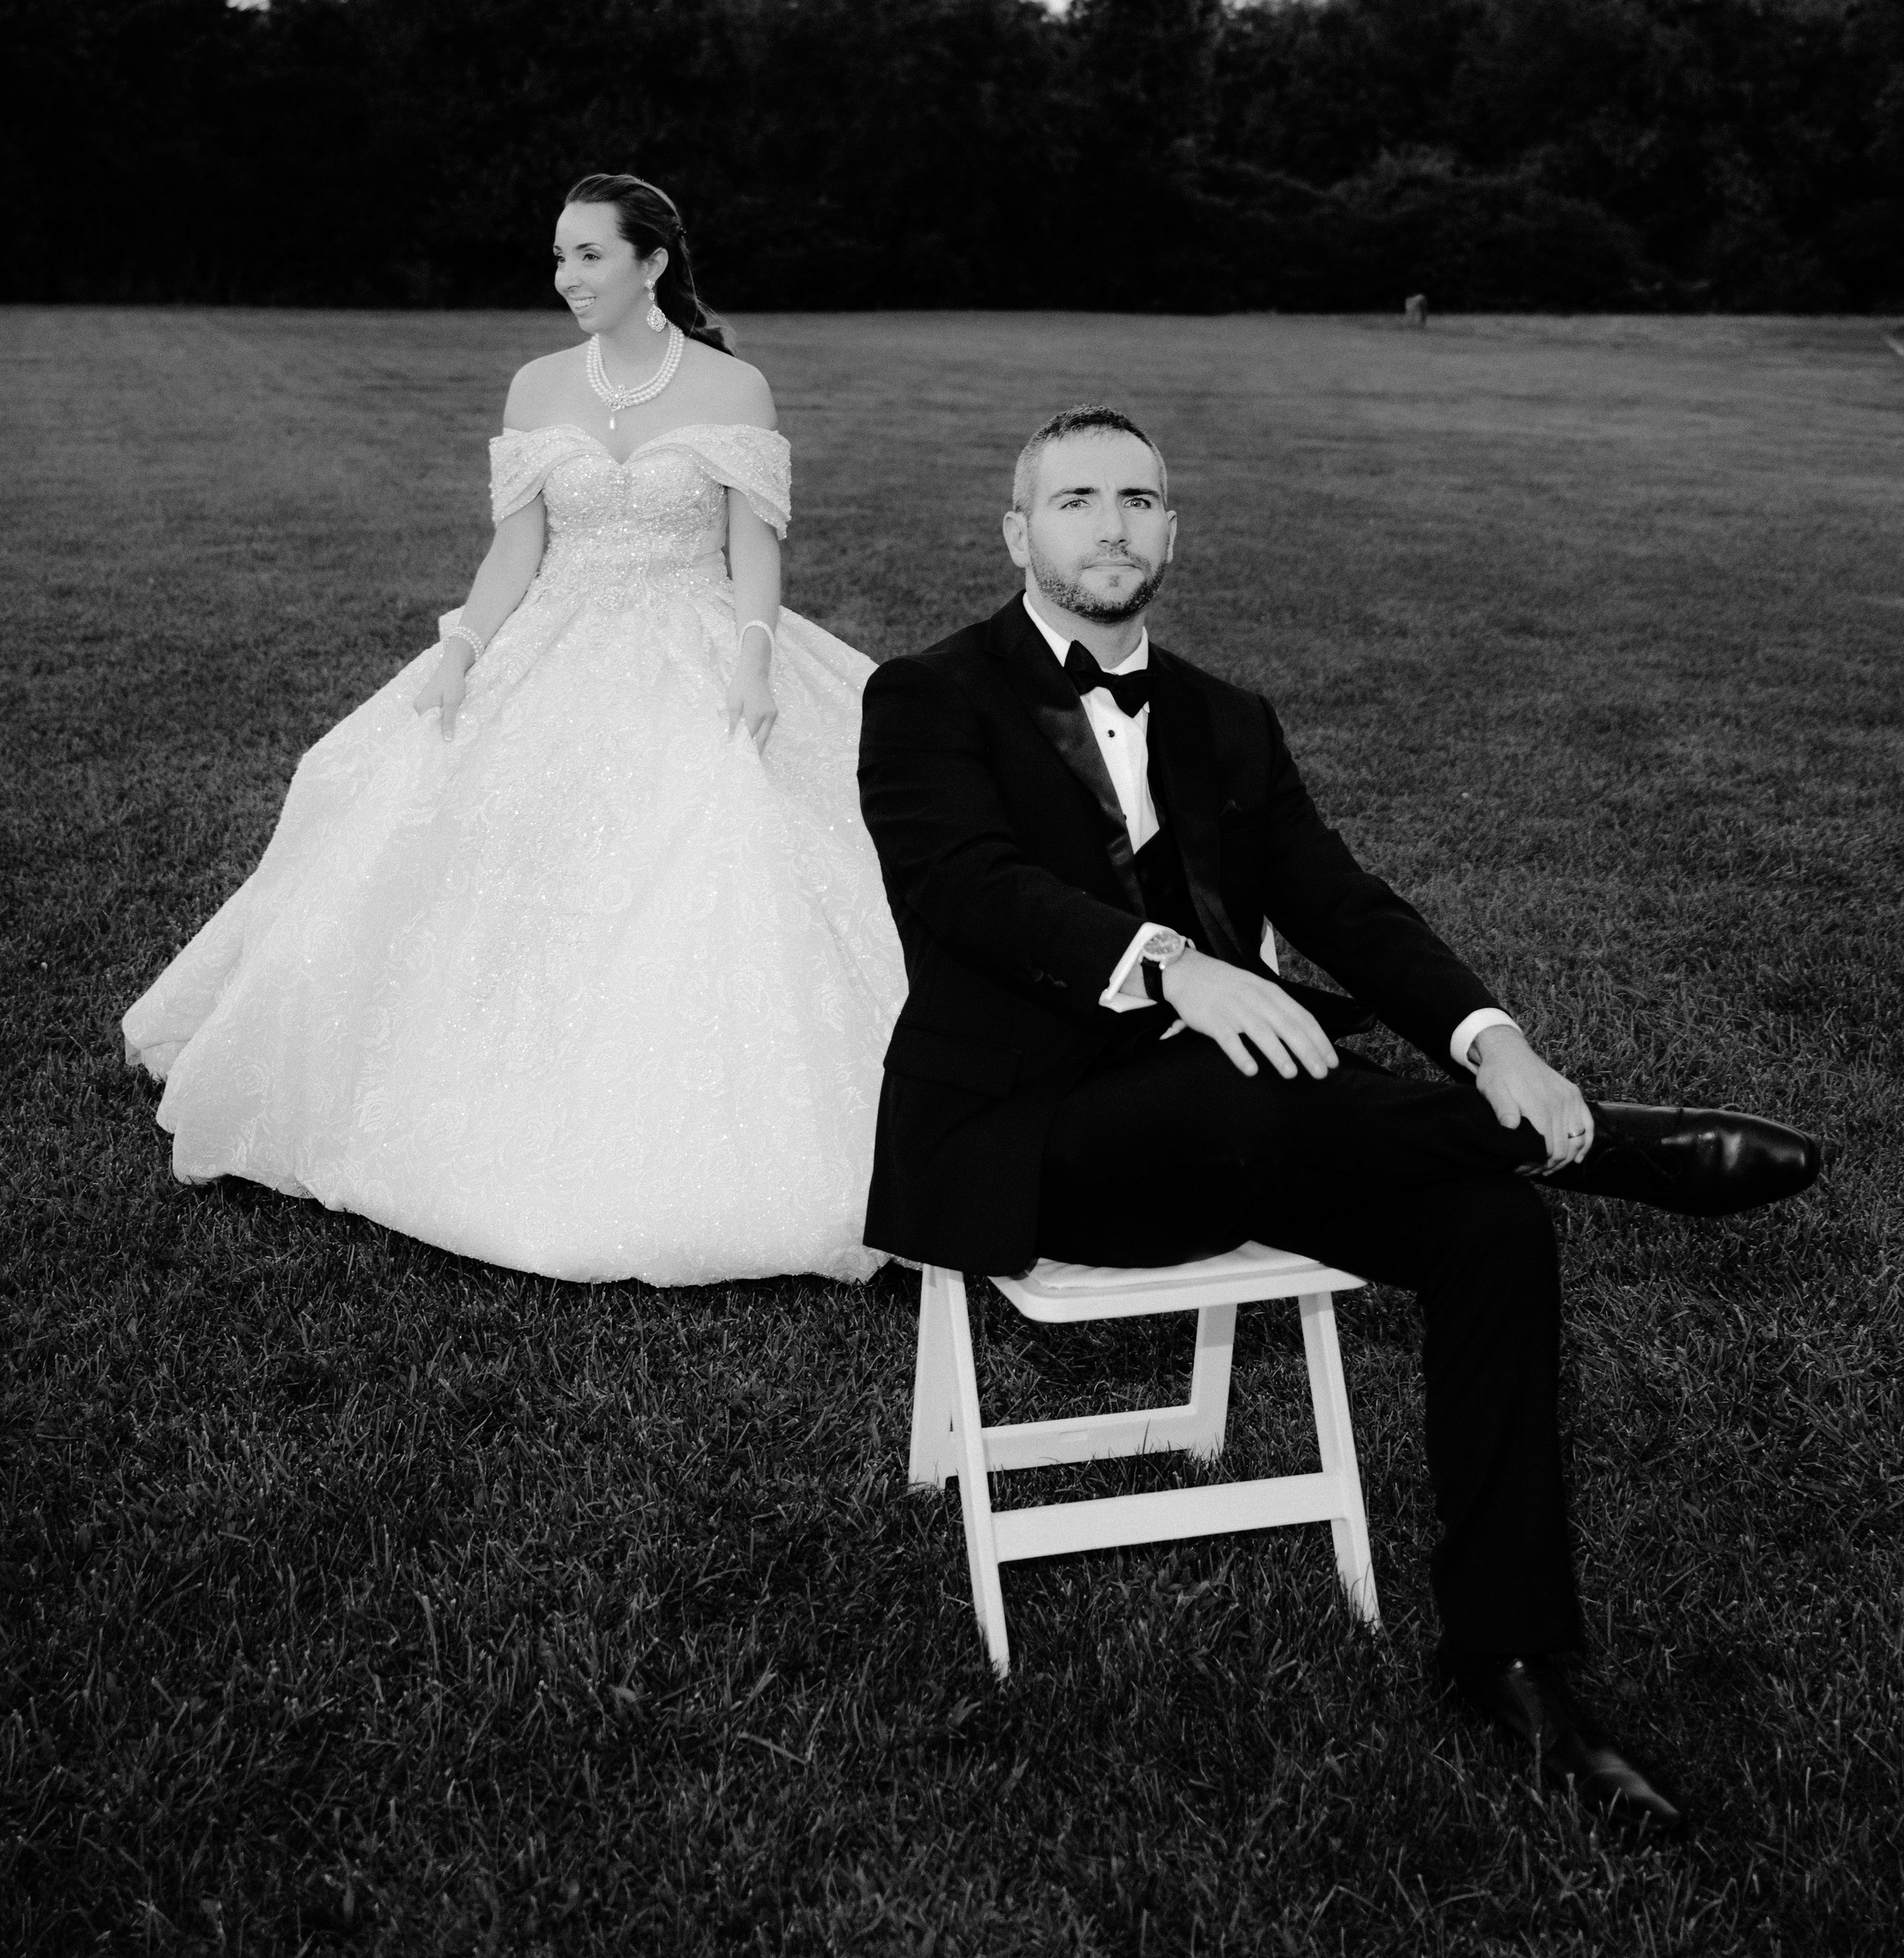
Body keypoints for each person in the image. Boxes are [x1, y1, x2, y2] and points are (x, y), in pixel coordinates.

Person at [855, 402, 1821, 1831]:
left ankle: (1511, 1661)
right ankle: (1604, 1145)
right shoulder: (928, 699)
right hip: (1039, 1142)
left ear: (1173, 529)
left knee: (1494, 1230)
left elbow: (1345, 907)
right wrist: (1177, 966)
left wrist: (1494, 1039)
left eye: (1139, 499)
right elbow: (970, 886)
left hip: (1262, 1136)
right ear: (1017, 533)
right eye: (1074, 501)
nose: (1110, 524)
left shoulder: (1226, 717)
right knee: (1236, 1071)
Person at [125, 175, 904, 1286]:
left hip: (694, 639)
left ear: (651, 263)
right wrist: (462, 648)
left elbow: (755, 552)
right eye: (557, 257)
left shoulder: (737, 388)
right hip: (559, 638)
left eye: (588, 255)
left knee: (728, 840)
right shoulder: (537, 388)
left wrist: (752, 660)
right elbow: (514, 552)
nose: (566, 278)